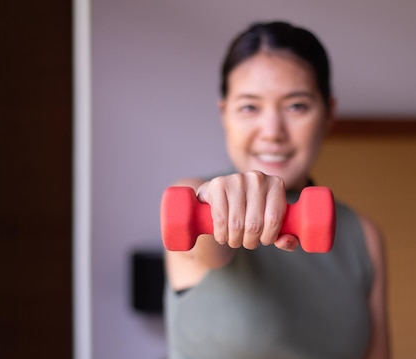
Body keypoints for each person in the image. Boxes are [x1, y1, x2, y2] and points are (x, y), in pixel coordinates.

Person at [164, 21, 390, 359]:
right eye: (249, 107)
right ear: (224, 115)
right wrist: (219, 204)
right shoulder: (195, 200)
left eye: (296, 106)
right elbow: (205, 248)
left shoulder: (363, 235)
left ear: (329, 114)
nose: (272, 132)